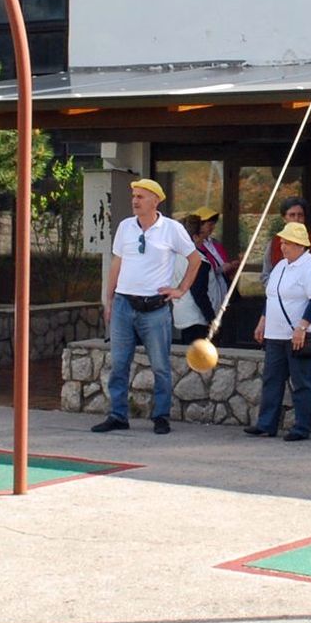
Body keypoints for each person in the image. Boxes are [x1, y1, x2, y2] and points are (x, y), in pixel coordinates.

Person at [95, 177, 202, 435]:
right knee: (119, 363)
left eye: (141, 197)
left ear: (155, 201)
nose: (135, 201)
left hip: (155, 308)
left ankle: (161, 416)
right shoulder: (125, 227)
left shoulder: (172, 229)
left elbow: (195, 259)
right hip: (124, 304)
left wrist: (180, 290)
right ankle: (118, 414)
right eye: (134, 196)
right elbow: (116, 264)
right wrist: (108, 300)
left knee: (160, 366)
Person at [246, 222, 311, 441]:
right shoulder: (280, 266)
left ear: (301, 245)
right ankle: (266, 423)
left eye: (288, 243)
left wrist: (302, 327)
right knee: (272, 379)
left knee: (301, 381)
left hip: (299, 334)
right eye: (282, 242)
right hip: (276, 333)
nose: (283, 247)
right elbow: (272, 297)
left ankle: (301, 427)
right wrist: (262, 321)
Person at [173, 213, 215, 343]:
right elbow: (199, 292)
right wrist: (211, 318)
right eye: (202, 235)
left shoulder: (174, 257)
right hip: (197, 317)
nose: (204, 239)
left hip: (181, 313)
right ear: (195, 237)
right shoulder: (199, 261)